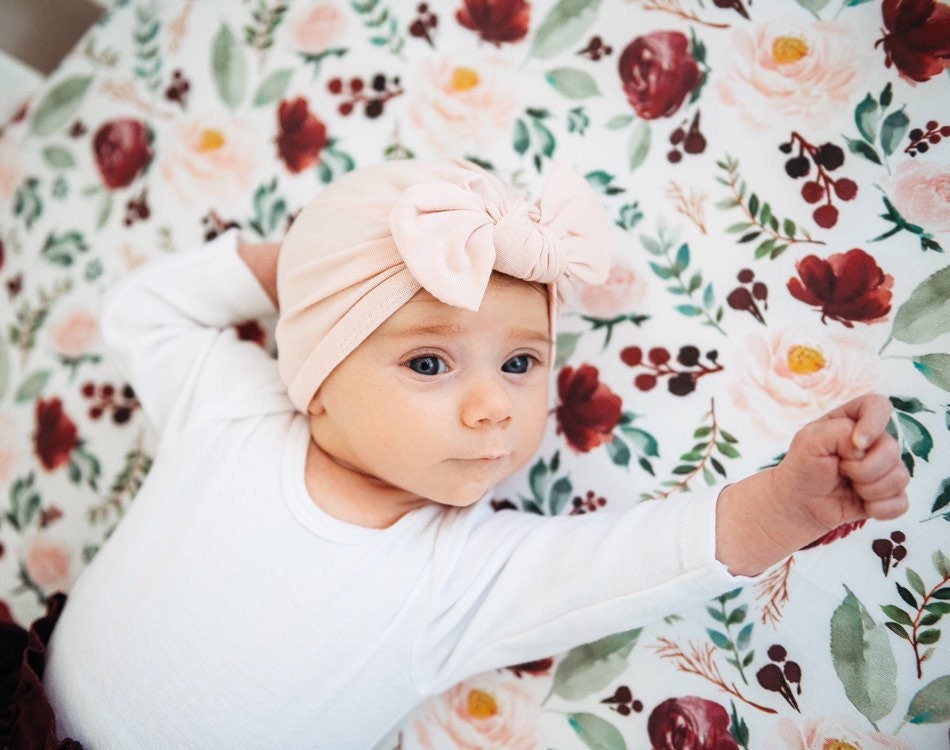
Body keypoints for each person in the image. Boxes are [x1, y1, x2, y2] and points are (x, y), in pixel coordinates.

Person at [42, 158, 909, 748]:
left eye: (522, 362)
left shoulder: (457, 573)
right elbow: (141, 312)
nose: (496, 404)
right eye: (428, 362)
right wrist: (301, 269)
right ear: (317, 374)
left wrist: (790, 503)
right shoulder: (234, 409)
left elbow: (637, 558)